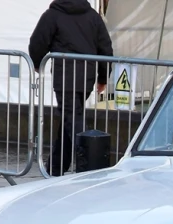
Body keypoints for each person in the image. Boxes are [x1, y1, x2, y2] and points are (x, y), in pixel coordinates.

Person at [29, 0, 113, 176]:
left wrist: (37, 63)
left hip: (65, 76)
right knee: (71, 118)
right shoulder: (93, 17)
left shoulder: (53, 15)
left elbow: (38, 42)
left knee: (72, 120)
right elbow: (105, 48)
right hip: (86, 78)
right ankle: (56, 166)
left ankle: (91, 163)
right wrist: (103, 77)